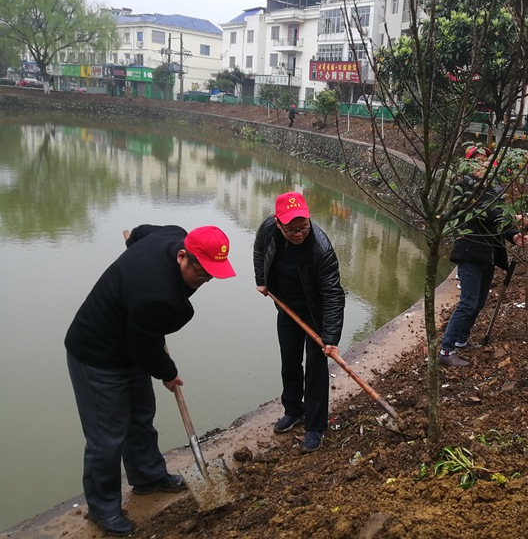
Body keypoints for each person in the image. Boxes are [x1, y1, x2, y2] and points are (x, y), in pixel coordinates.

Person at [65, 225, 236, 537]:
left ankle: (148, 477)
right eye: (203, 273)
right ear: (182, 256)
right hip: (96, 354)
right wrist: (168, 373)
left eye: (213, 274)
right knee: (107, 436)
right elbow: (145, 346)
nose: (207, 280)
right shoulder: (158, 296)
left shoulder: (172, 235)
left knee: (141, 415)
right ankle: (102, 508)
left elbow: (141, 232)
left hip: (131, 341)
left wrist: (132, 243)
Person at [253, 191, 345, 453]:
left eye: (303, 227)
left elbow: (333, 295)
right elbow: (259, 250)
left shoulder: (321, 249)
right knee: (290, 361)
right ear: (278, 223)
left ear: (309, 220)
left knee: (316, 369)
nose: (298, 233)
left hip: (315, 311)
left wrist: (331, 338)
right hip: (286, 306)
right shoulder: (268, 229)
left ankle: (315, 427)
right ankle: (294, 410)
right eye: (291, 229)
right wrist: (261, 279)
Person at [439, 146, 525, 367]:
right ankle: (446, 351)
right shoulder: (463, 188)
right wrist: (512, 216)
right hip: (470, 251)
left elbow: (499, 222)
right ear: (468, 165)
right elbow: (483, 212)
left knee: (479, 302)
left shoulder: (494, 189)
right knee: (467, 303)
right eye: (476, 161)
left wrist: (514, 235)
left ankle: (460, 340)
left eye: (485, 161)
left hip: (489, 252)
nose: (482, 165)